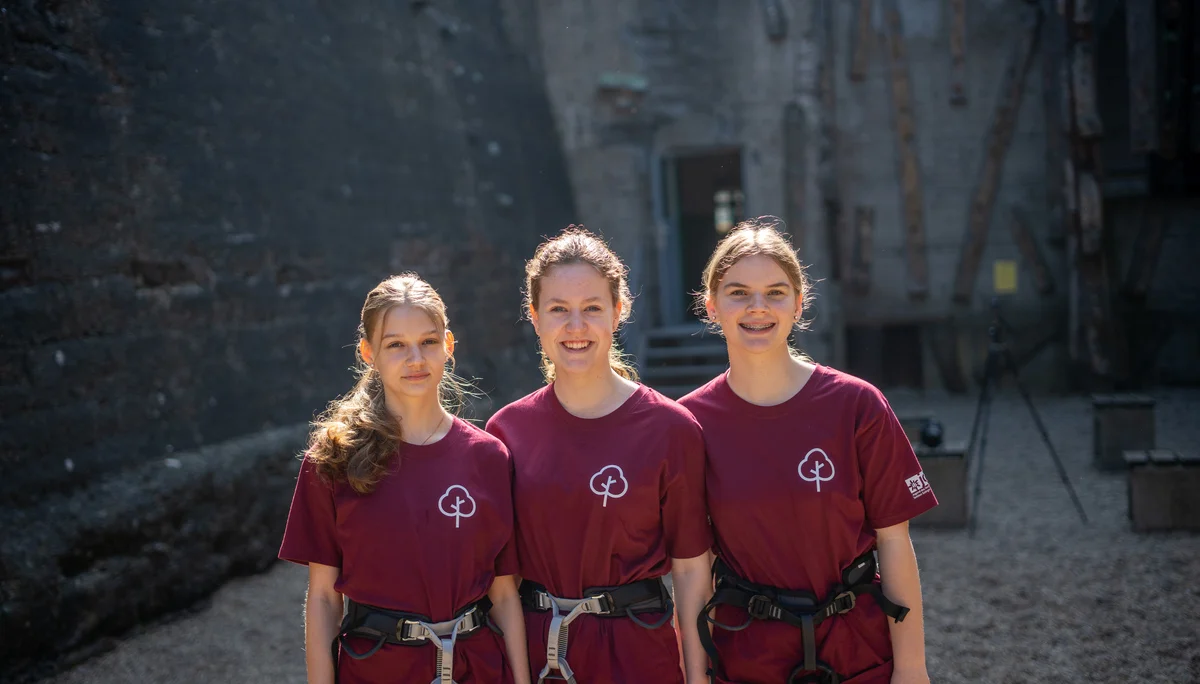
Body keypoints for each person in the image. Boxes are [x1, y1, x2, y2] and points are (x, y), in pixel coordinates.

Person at [678, 217, 936, 684]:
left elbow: (895, 542)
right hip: (749, 659)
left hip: (857, 652)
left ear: (799, 304)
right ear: (711, 305)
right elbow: (693, 568)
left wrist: (912, 669)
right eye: (738, 292)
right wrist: (696, 678)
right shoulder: (688, 423)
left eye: (775, 292)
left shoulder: (857, 405)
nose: (758, 307)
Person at [485, 226, 713, 683]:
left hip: (638, 653)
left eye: (592, 308)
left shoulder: (670, 429)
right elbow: (501, 585)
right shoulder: (505, 432)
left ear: (618, 311)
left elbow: (691, 571)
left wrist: (697, 677)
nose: (575, 327)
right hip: (540, 653)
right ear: (534, 316)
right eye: (558, 310)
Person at [278, 274, 531, 684]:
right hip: (378, 669)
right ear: (368, 353)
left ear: (448, 346)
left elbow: (503, 594)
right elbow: (324, 598)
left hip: (478, 668)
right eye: (396, 344)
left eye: (428, 342)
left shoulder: (489, 457)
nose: (415, 358)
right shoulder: (334, 459)